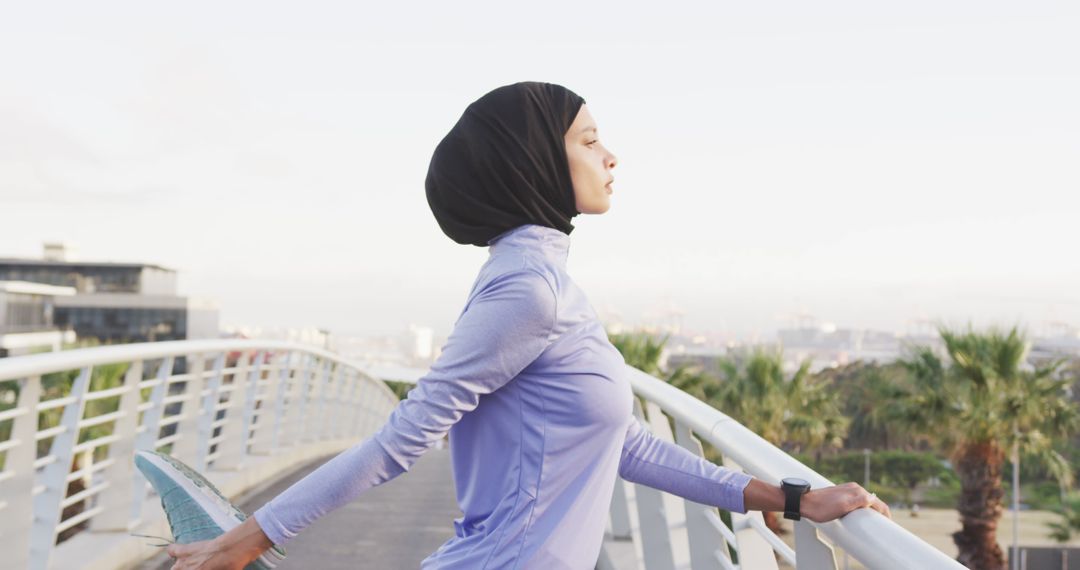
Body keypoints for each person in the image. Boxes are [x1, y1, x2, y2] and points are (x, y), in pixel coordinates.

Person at [160, 81, 891, 569]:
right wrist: (245, 543)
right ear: (533, 161)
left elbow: (622, 444)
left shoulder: (542, 282)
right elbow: (400, 441)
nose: (611, 156)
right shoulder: (530, 292)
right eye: (588, 140)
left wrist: (789, 498)